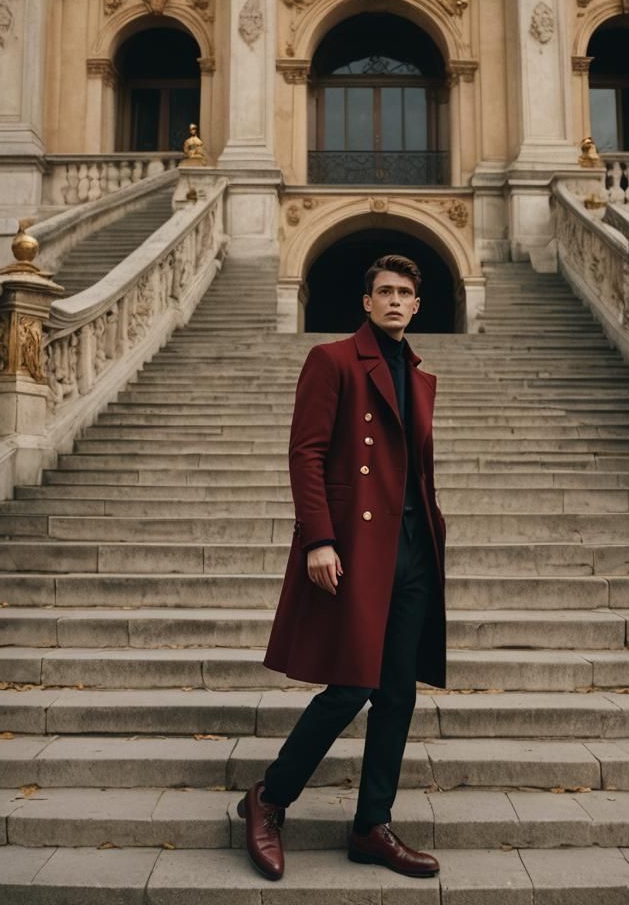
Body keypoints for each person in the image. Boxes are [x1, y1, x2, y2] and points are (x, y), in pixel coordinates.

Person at [237, 253, 447, 881]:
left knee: (398, 692)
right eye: (382, 290)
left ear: (416, 306)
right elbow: (306, 454)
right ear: (366, 301)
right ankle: (269, 799)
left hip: (412, 546)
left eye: (403, 293)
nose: (393, 300)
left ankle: (370, 826)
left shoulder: (419, 374)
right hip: (355, 547)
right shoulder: (331, 361)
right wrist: (318, 540)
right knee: (353, 685)